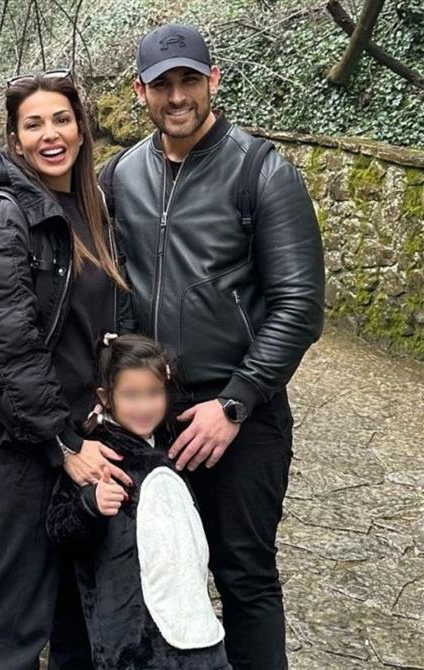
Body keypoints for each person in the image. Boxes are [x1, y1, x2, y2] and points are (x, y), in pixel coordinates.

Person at [99, 24, 325, 670]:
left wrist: (235, 403)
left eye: (189, 81)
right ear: (140, 91)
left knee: (243, 576)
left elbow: (300, 306)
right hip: (150, 417)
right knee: (156, 577)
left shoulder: (261, 171)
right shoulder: (122, 177)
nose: (177, 97)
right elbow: (109, 287)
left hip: (239, 418)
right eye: (163, 85)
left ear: (213, 80)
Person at [0, 70, 134, 670]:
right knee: (13, 631)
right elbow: (4, 350)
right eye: (33, 124)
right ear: (15, 139)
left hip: (86, 441)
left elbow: (108, 319)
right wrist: (64, 444)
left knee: (78, 624)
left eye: (61, 119)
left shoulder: (91, 209)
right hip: (30, 456)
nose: (50, 134)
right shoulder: (5, 219)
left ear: (81, 129)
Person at [47, 332, 232, 670]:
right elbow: (59, 528)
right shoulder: (98, 455)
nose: (144, 406)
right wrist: (90, 505)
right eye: (131, 395)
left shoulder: (165, 445)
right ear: (106, 397)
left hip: (190, 622)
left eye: (154, 393)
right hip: (132, 642)